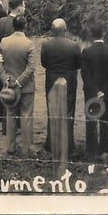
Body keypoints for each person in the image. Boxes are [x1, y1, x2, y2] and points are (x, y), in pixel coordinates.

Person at [0, 16, 37, 156]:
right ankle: (27, 148)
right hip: (26, 87)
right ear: (25, 26)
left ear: (13, 26)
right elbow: (31, 68)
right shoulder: (29, 44)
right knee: (26, 116)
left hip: (9, 87)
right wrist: (19, 82)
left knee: (11, 115)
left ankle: (11, 147)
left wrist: (5, 79)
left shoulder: (4, 42)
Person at [41, 18, 81, 154]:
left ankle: (50, 143)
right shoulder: (74, 45)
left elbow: (43, 63)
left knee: (52, 110)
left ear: (52, 31)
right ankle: (68, 144)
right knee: (68, 111)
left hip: (51, 78)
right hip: (69, 79)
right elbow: (78, 64)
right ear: (65, 30)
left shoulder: (46, 45)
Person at [80, 25, 108, 160]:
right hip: (107, 93)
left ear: (91, 35)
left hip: (91, 93)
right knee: (106, 119)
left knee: (90, 119)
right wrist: (104, 91)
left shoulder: (86, 52)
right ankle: (104, 148)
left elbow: (85, 75)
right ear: (103, 34)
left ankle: (91, 149)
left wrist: (95, 91)